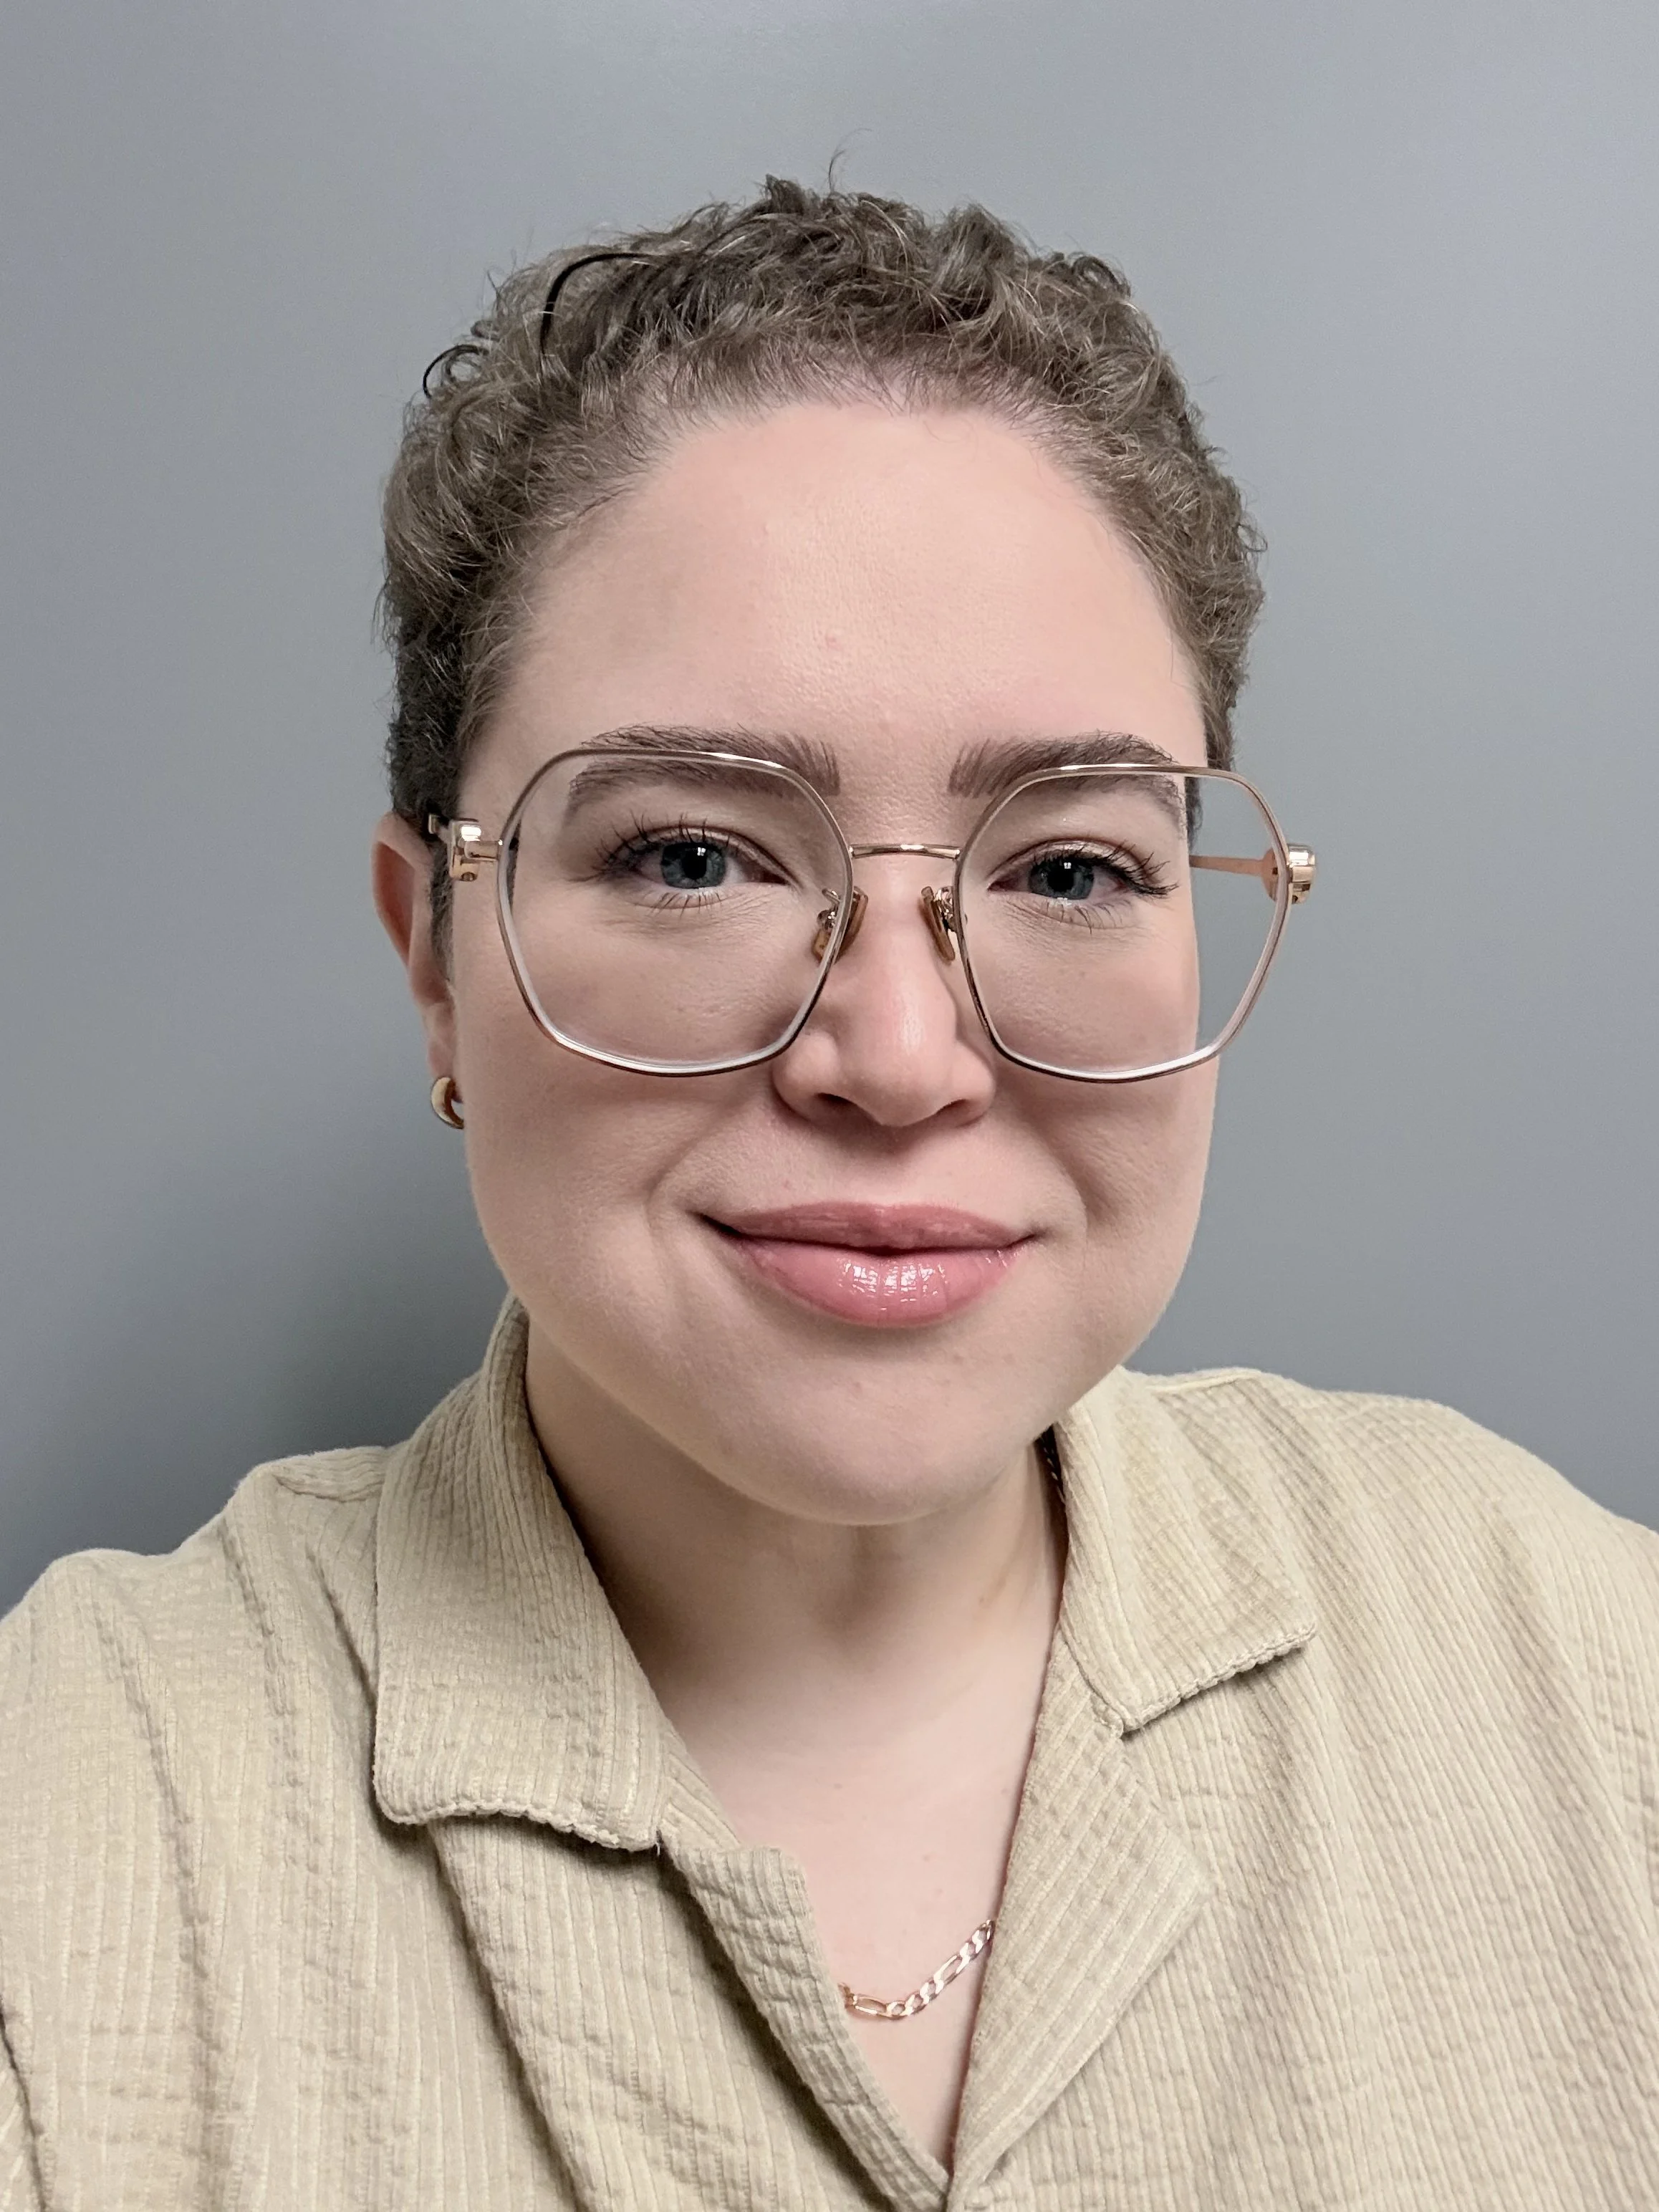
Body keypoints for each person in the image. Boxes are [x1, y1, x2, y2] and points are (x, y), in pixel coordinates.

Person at [1, 178, 1655, 2212]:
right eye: (691, 854)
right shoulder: (67, 1832)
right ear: (435, 951)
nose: (894, 1056)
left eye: (1067, 867)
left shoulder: (1580, 1672)